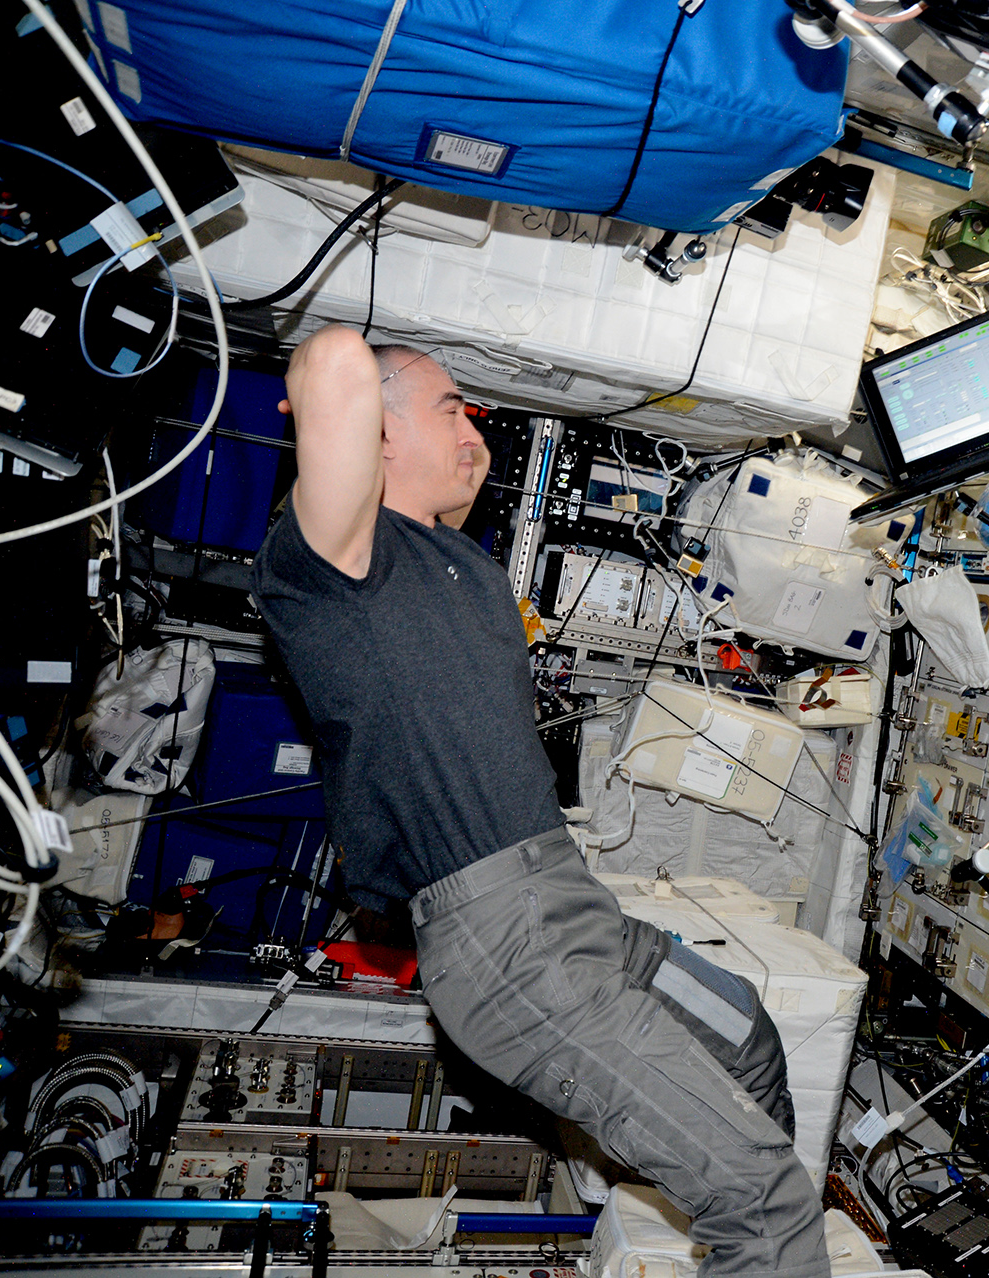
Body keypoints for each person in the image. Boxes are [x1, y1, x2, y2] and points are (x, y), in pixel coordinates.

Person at [250, 325, 828, 1278]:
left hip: (577, 912)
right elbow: (336, 363)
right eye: (450, 411)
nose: (475, 433)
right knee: (760, 1197)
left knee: (744, 1031)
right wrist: (330, 381)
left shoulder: (461, 565)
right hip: (506, 942)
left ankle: (746, 1203)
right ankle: (760, 1221)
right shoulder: (334, 565)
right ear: (373, 434)